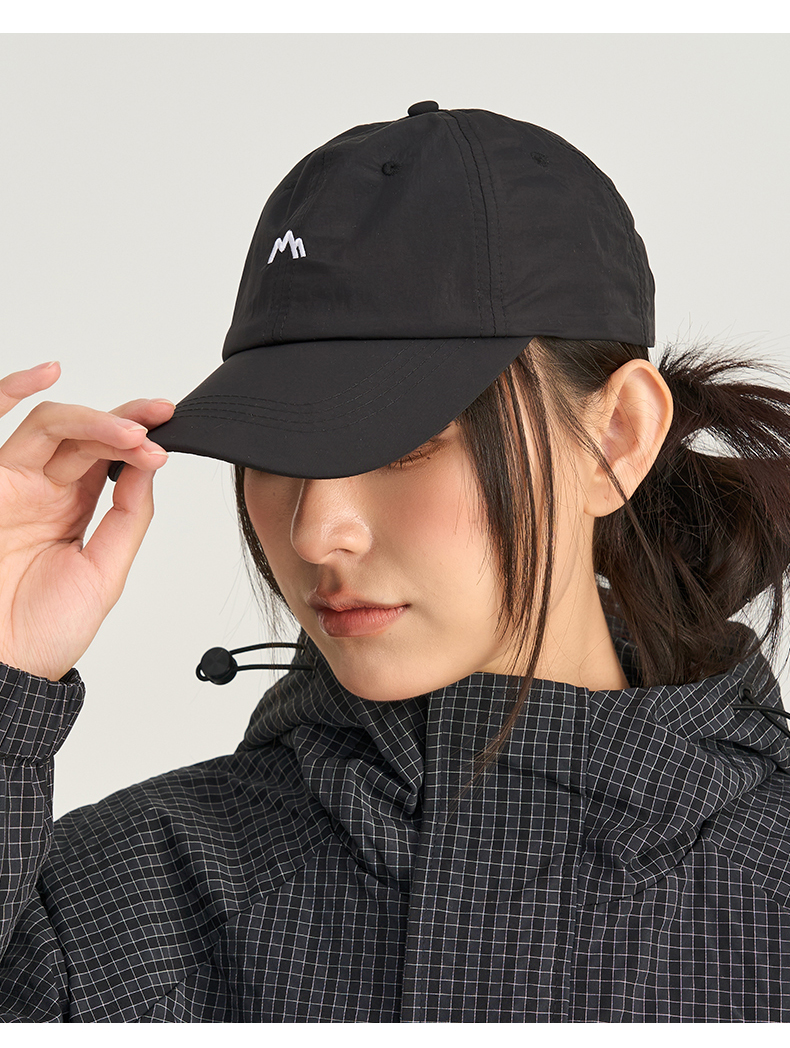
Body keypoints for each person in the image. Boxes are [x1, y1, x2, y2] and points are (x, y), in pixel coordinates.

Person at [1, 101, 790, 1023]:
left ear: (616, 436)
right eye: (275, 449)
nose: (314, 533)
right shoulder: (111, 916)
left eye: (405, 443)